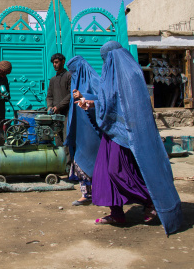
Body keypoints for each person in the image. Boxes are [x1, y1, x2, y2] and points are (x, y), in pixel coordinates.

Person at [76, 41, 183, 235]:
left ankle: (150, 200)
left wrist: (96, 106)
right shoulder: (112, 77)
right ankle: (116, 212)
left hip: (127, 134)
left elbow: (126, 106)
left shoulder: (131, 76)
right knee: (105, 174)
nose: (104, 63)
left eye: (105, 59)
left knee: (118, 172)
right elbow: (108, 101)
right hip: (112, 133)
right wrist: (92, 104)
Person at [64, 56, 101, 206]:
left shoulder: (95, 81)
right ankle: (86, 194)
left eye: (74, 71)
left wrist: (84, 96)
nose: (73, 74)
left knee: (96, 163)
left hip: (93, 131)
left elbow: (103, 100)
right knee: (79, 161)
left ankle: (101, 194)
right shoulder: (75, 82)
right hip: (79, 131)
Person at [46, 53, 72, 160]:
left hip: (67, 113)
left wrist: (59, 106)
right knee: (57, 138)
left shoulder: (69, 76)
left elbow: (71, 95)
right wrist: (49, 107)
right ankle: (59, 163)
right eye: (53, 63)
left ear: (63, 61)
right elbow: (49, 96)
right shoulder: (53, 80)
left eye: (56, 62)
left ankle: (68, 164)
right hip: (56, 115)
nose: (54, 65)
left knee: (66, 138)